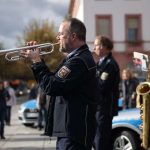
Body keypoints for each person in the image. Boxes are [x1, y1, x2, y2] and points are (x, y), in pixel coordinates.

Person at [20, 18, 98, 150]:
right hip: (71, 131)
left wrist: (37, 61)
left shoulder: (78, 61)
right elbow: (52, 79)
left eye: (61, 34)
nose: (57, 38)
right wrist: (38, 61)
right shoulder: (75, 58)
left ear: (73, 36)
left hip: (73, 134)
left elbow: (52, 87)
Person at [92, 35, 120, 150]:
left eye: (96, 45)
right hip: (99, 107)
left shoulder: (109, 64)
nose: (94, 48)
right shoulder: (101, 63)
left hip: (104, 108)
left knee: (101, 140)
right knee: (97, 139)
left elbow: (101, 85)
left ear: (103, 47)